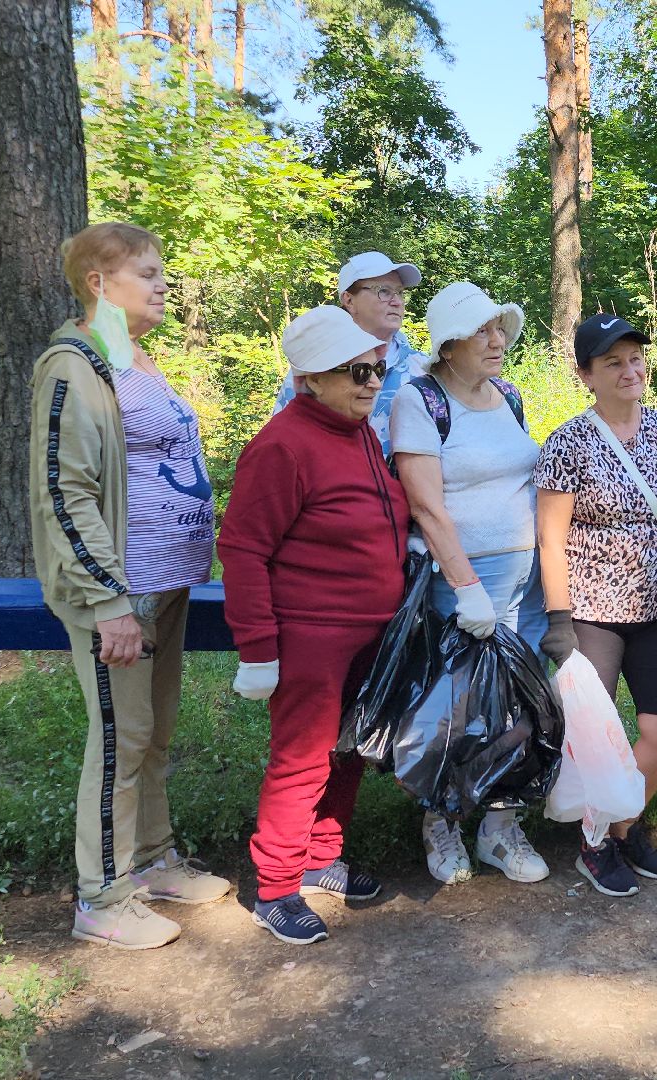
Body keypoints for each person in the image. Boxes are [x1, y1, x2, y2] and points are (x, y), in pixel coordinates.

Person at [28, 221, 233, 951]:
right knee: (121, 738)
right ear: (98, 282)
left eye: (161, 272)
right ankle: (102, 897)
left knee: (156, 731)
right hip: (121, 592)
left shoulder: (135, 358)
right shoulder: (74, 366)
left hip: (167, 584)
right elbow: (65, 489)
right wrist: (107, 599)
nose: (162, 284)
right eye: (147, 273)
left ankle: (152, 862)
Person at [220, 305, 413, 946]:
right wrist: (258, 649)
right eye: (355, 371)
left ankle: (321, 858)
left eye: (378, 369)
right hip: (310, 634)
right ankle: (275, 889)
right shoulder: (281, 445)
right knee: (301, 760)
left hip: (369, 633)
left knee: (351, 749)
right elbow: (244, 549)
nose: (370, 383)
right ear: (311, 378)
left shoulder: (356, 430)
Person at [533, 313, 657, 899]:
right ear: (587, 374)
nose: (629, 369)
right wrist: (559, 621)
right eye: (612, 362)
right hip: (591, 611)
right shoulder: (567, 441)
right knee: (596, 737)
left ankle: (621, 828)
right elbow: (551, 537)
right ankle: (595, 845)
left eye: (635, 358)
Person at [390, 281, 550, 886]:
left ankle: (501, 831)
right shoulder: (420, 399)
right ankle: (442, 825)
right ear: (448, 344)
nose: (497, 339)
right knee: (452, 707)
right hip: (464, 585)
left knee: (518, 708)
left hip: (522, 583)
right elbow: (427, 507)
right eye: (482, 330)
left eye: (499, 328)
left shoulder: (507, 396)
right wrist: (465, 589)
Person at [275, 251, 426, 450]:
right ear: (349, 300)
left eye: (399, 292)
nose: (397, 301)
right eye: (384, 291)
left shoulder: (424, 369)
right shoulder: (318, 368)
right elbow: (284, 441)